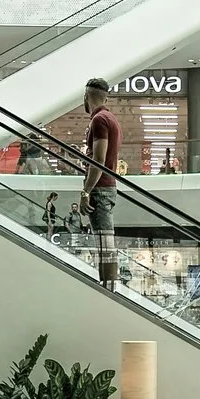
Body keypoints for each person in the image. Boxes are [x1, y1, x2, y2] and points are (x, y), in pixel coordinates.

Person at [79, 78, 121, 287]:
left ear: (86, 97)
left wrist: (86, 191)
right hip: (107, 186)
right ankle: (108, 287)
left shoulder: (99, 120)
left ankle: (109, 290)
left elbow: (98, 159)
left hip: (100, 188)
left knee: (104, 242)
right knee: (105, 242)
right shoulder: (110, 118)